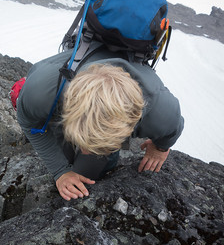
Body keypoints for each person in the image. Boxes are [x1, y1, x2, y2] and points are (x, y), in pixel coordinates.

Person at [16, 47, 184, 201]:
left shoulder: (161, 114)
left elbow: (173, 129)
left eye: (99, 146)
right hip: (54, 86)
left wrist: (160, 147)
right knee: (65, 153)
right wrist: (61, 170)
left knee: (89, 172)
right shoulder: (40, 94)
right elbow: (29, 122)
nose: (84, 151)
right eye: (84, 142)